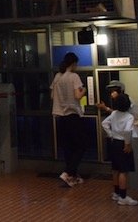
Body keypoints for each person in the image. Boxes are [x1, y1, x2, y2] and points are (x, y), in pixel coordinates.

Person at [51, 51, 87, 187]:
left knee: (68, 147)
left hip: (61, 117)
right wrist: (84, 90)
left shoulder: (58, 77)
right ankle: (68, 172)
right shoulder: (74, 76)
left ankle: (72, 176)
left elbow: (52, 96)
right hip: (73, 115)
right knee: (81, 145)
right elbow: (78, 96)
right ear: (73, 63)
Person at [101, 93, 138, 205]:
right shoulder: (129, 117)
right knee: (123, 171)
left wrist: (111, 134)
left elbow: (104, 123)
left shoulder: (114, 114)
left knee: (115, 169)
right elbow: (127, 131)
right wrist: (127, 144)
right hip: (122, 143)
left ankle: (116, 193)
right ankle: (123, 196)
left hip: (113, 143)